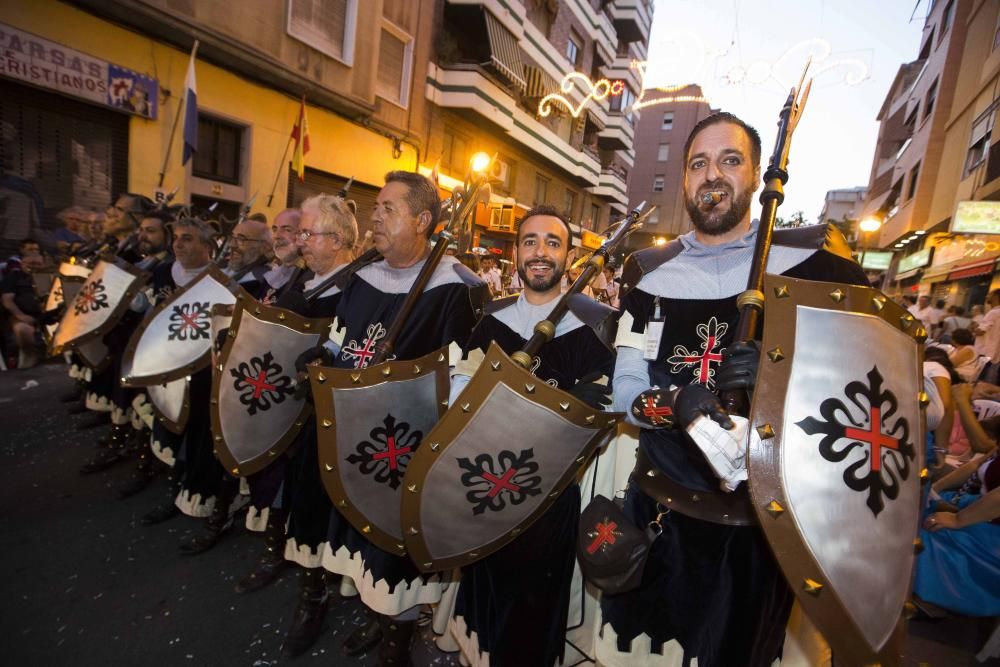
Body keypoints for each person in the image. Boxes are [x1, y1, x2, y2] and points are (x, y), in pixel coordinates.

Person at [598, 111, 868, 666]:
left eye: (730, 160)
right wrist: (670, 402)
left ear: (754, 177)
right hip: (661, 510)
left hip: (760, 526)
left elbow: (864, 394)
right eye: (699, 163)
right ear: (684, 180)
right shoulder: (647, 272)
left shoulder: (813, 268)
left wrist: (777, 385)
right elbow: (624, 385)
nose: (712, 175)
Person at [317, 171, 487, 663]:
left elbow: (463, 375)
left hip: (408, 445)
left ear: (423, 220)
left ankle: (397, 635)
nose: (375, 217)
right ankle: (377, 615)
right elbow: (341, 337)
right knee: (363, 536)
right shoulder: (362, 276)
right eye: (376, 208)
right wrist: (324, 358)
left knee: (398, 546)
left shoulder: (457, 288)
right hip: (355, 431)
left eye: (387, 208)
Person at [448, 205, 614, 666]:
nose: (540, 252)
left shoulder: (593, 333)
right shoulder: (490, 322)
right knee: (483, 595)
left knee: (531, 614)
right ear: (517, 253)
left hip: (547, 498)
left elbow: (593, 431)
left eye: (552, 243)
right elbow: (458, 397)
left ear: (568, 257)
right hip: (481, 484)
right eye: (530, 241)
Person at [233, 196, 352, 610]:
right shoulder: (299, 282)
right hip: (282, 404)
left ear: (336, 240)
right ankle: (277, 552)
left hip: (323, 417)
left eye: (307, 233)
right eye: (298, 232)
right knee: (281, 484)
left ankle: (314, 589)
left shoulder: (355, 290)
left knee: (314, 500)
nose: (300, 242)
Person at [136, 217, 216, 527]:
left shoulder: (218, 283)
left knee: (192, 436)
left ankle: (187, 491)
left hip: (199, 375)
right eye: (177, 238)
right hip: (164, 365)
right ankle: (166, 484)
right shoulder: (161, 272)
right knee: (164, 425)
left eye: (187, 239)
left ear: (207, 247)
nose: (177, 244)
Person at [914, 406, 999, 617]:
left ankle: (933, 600)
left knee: (922, 533)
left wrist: (958, 520)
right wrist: (936, 490)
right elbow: (976, 465)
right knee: (919, 509)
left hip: (993, 535)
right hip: (980, 507)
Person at [1, 239, 44, 368]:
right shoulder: (13, 277)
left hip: (48, 317)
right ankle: (28, 361)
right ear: (22, 264)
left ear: (43, 264)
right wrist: (21, 316)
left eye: (37, 264)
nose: (33, 266)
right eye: (30, 263)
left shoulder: (50, 277)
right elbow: (7, 301)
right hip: (22, 317)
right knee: (23, 330)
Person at [973, 290, 1000, 363]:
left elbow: (980, 332)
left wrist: (975, 329)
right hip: (995, 353)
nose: (986, 296)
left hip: (984, 352)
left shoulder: (993, 313)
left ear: (995, 297)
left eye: (989, 295)